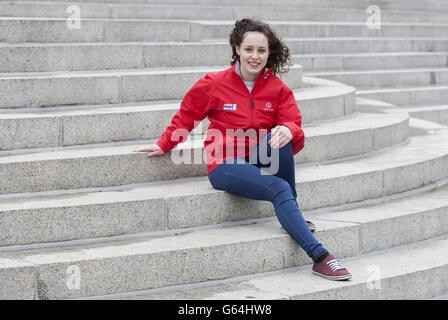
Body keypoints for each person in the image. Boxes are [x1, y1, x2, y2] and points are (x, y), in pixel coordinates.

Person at [134, 18, 351, 281]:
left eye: (261, 50)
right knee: (279, 188)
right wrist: (164, 144)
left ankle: (291, 212)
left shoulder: (278, 89)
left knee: (280, 135)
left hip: (258, 156)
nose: (255, 56)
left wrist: (288, 130)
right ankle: (321, 257)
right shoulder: (213, 84)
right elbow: (186, 116)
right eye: (249, 49)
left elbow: (294, 125)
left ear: (269, 53)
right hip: (225, 164)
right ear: (237, 48)